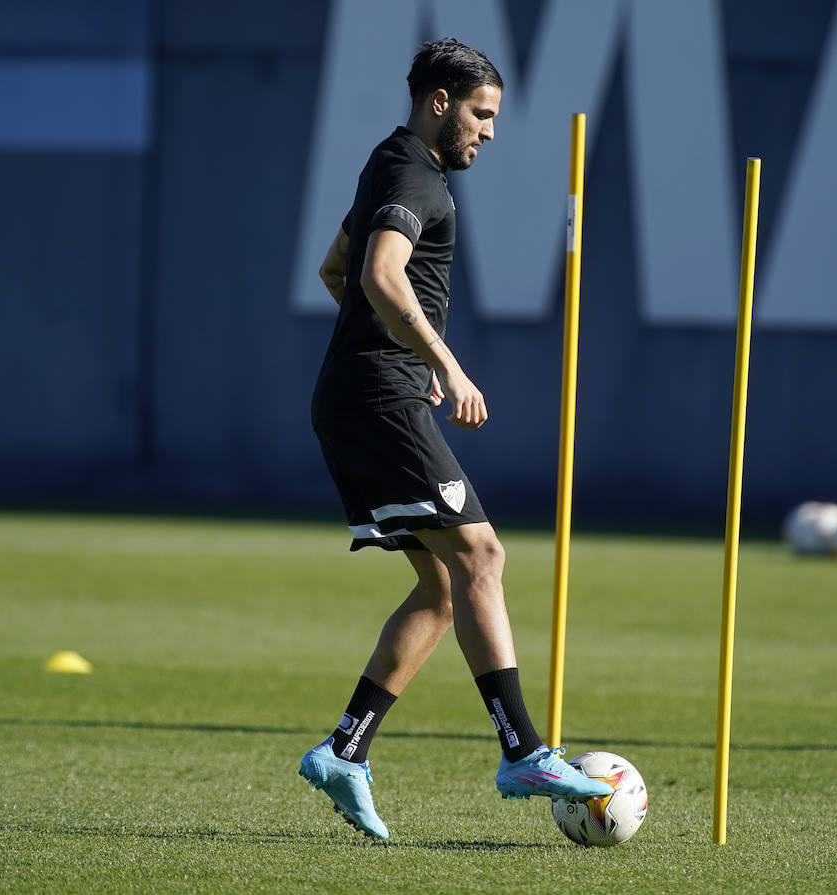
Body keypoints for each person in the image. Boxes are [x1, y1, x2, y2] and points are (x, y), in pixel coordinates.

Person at [299, 38, 611, 840]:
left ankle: (345, 751)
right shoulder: (411, 172)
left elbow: (336, 266)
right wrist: (442, 359)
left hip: (363, 392)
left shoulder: (390, 164)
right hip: (377, 396)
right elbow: (376, 273)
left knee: (443, 590)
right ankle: (522, 749)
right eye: (482, 113)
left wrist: (403, 352)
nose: (491, 131)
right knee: (482, 555)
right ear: (440, 100)